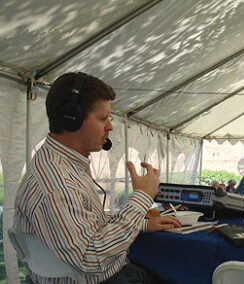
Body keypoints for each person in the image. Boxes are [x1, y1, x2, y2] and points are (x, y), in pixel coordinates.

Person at [14, 72, 181, 284]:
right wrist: (142, 197)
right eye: (103, 118)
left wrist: (141, 223)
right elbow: (89, 256)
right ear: (71, 119)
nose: (110, 126)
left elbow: (89, 227)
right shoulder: (57, 183)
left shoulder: (64, 164)